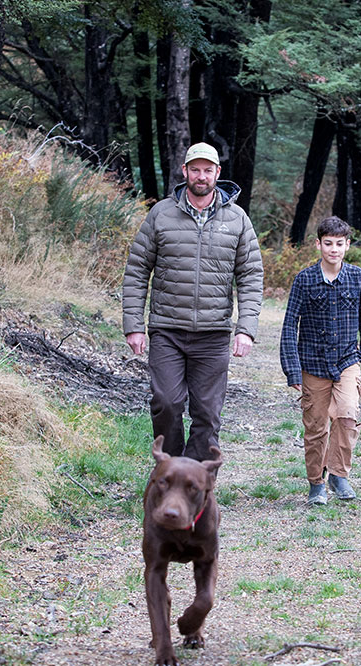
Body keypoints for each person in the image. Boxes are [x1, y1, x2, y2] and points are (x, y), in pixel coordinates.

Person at [123, 142, 263, 461]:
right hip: (167, 331)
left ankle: (197, 480)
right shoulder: (160, 214)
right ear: (184, 171)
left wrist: (246, 329)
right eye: (195, 169)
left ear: (218, 173)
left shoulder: (238, 220)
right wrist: (134, 325)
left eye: (208, 170)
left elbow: (252, 276)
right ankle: (170, 468)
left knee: (208, 415)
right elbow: (136, 271)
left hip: (213, 335)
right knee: (166, 403)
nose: (202, 176)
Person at [280, 216, 361, 506]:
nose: (333, 249)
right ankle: (316, 484)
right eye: (328, 244)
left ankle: (339, 473)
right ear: (318, 244)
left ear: (347, 246)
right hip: (312, 363)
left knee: (348, 415)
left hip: (348, 359)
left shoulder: (358, 278)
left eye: (339, 244)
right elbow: (289, 325)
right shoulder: (305, 279)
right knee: (316, 426)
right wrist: (292, 367)